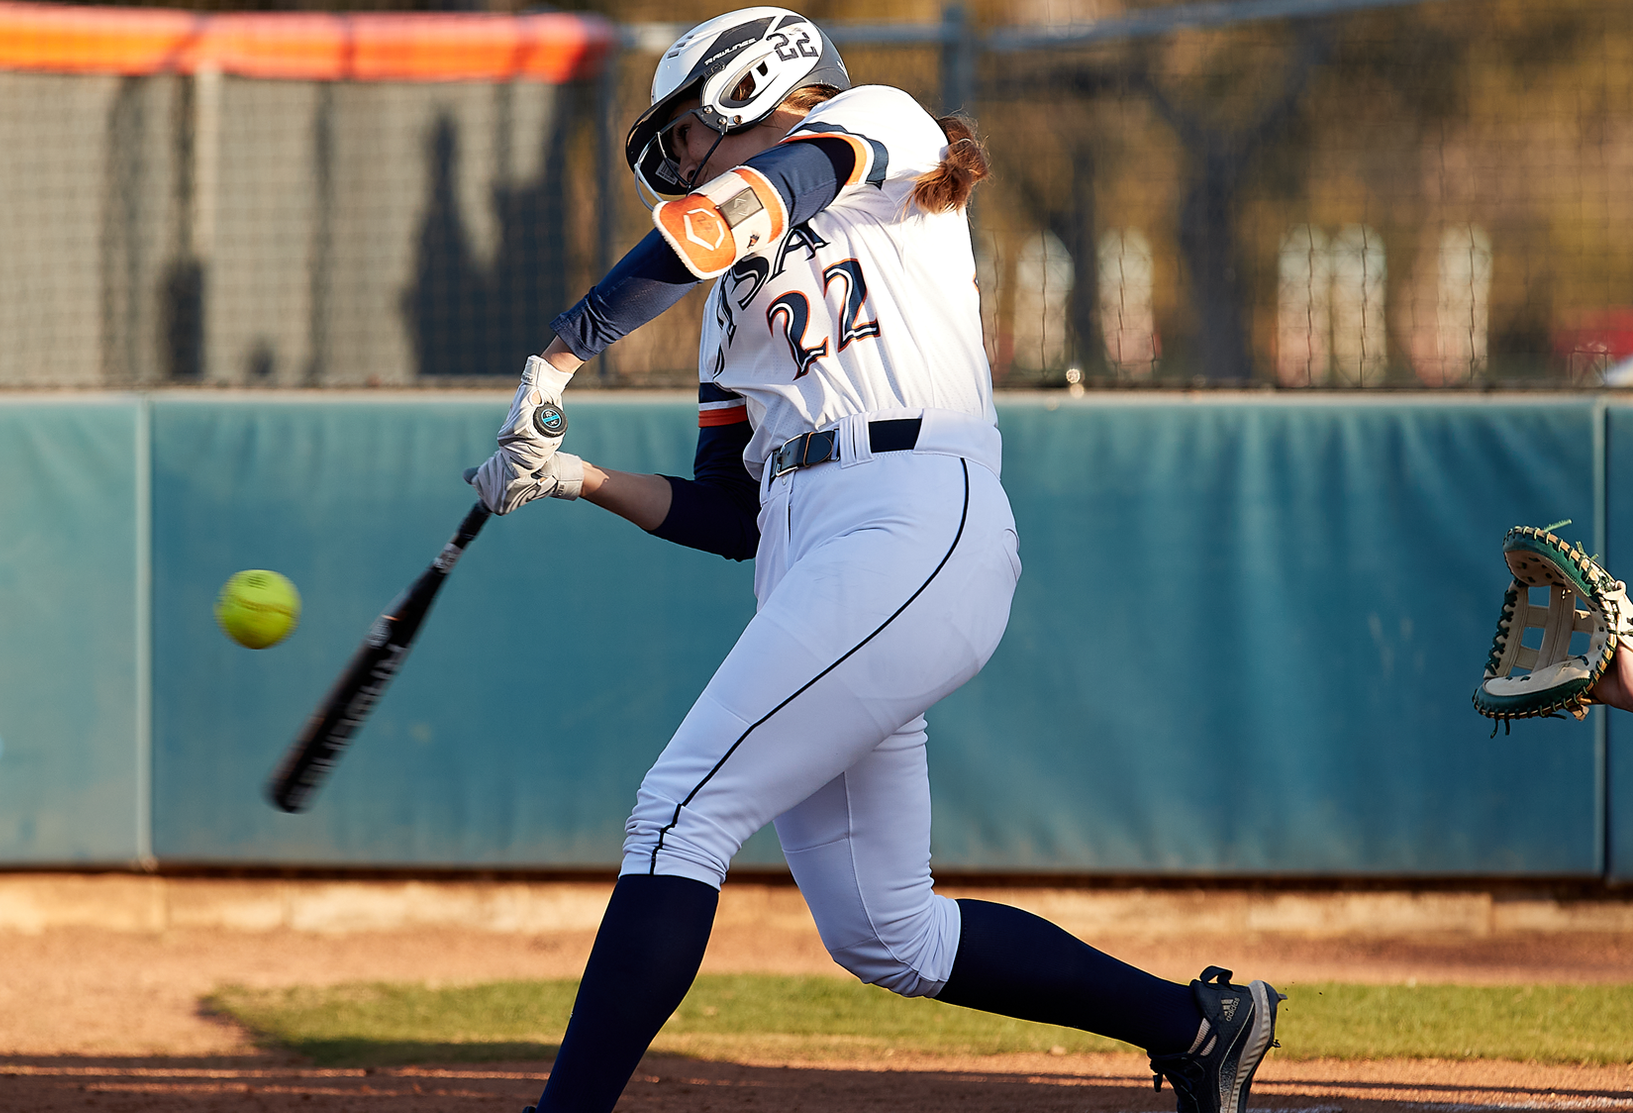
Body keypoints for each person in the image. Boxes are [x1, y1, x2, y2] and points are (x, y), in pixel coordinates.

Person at [464, 9, 1282, 1112]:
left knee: (676, 815)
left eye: (692, 129)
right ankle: (1198, 1027)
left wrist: (565, 346)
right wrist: (580, 479)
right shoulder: (729, 305)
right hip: (809, 551)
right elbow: (729, 515)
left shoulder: (875, 121)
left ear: (754, 85)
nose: (682, 158)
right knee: (886, 931)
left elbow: (753, 203)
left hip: (909, 506)